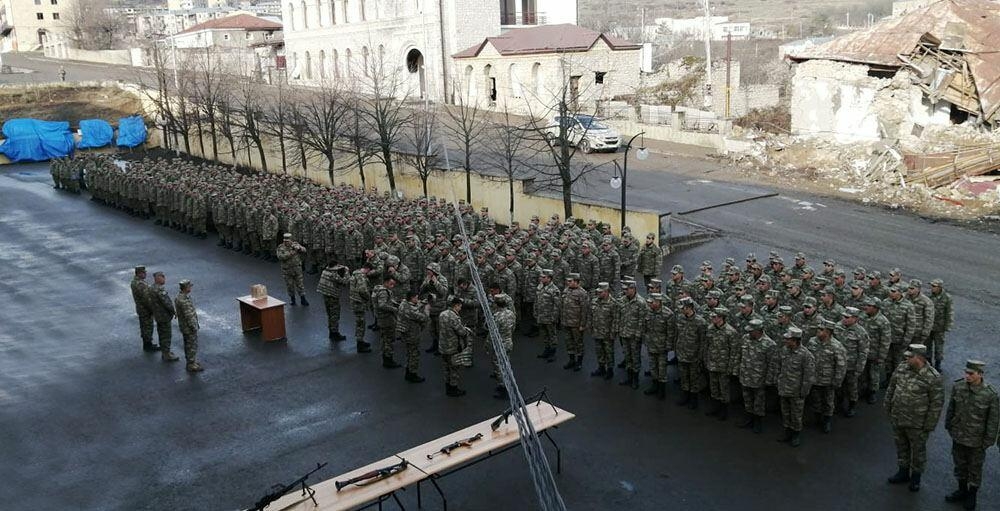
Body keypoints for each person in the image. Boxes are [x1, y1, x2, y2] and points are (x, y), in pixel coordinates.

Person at [885, 344, 944, 492]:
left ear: (919, 358)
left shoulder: (932, 377)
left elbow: (936, 404)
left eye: (909, 357)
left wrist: (929, 425)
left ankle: (916, 477)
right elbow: (892, 388)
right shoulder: (902, 368)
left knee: (918, 451)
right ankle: (903, 472)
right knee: (901, 446)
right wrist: (887, 407)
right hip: (898, 417)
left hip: (918, 423)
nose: (906, 358)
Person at [944, 360, 999, 510]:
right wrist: (948, 424)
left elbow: (993, 420)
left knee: (974, 468)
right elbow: (951, 408)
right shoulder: (958, 386)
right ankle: (961, 490)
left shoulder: (990, 395)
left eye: (971, 373)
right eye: (966, 372)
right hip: (958, 435)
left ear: (980, 374)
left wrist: (988, 441)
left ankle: (972, 494)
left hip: (977, 440)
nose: (967, 376)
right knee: (959, 465)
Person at [805, 319, 847, 434]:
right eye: (818, 329)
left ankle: (827, 420)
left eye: (821, 329)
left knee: (828, 401)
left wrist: (837, 381)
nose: (818, 331)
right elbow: (807, 359)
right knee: (815, 399)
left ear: (828, 332)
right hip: (814, 378)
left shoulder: (837, 346)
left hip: (828, 380)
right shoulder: (812, 341)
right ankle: (817, 418)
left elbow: (841, 366)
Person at [776, 326, 815, 447]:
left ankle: (796, 434)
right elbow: (779, 366)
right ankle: (787, 431)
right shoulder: (784, 350)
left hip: (796, 390)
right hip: (784, 387)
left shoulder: (806, 355)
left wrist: (804, 391)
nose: (786, 341)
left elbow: (808, 376)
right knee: (785, 412)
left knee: (796, 414)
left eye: (788, 339)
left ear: (795, 340)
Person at [738, 319, 777, 433]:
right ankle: (749, 418)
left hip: (759, 378)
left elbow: (772, 364)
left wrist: (769, 380)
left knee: (759, 402)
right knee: (747, 399)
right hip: (745, 374)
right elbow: (741, 355)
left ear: (758, 331)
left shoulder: (769, 344)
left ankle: (758, 422)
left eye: (751, 331)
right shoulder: (745, 338)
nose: (749, 333)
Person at [705, 307, 739, 421]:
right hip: (712, 363)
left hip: (724, 366)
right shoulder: (710, 328)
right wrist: (706, 360)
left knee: (724, 389)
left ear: (721, 318)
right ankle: (715, 407)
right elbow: (707, 346)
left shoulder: (731, 332)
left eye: (714, 317)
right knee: (714, 388)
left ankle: (724, 410)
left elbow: (734, 351)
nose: (712, 319)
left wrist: (731, 368)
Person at [643, 293, 675, 400]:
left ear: (658, 302)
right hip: (651, 343)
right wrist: (645, 340)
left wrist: (668, 346)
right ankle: (654, 385)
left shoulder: (668, 314)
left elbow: (670, 332)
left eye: (651, 302)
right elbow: (645, 327)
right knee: (653, 366)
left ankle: (662, 389)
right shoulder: (648, 312)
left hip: (662, 346)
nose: (649, 304)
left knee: (662, 368)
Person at [439, 297, 471, 397]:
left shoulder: (442, 314)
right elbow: (461, 332)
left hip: (443, 346)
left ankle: (447, 386)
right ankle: (454, 388)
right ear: (456, 305)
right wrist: (467, 330)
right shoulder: (454, 317)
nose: (460, 309)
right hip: (452, 347)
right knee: (454, 368)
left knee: (446, 368)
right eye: (460, 306)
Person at [396, 290, 430, 383]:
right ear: (412, 298)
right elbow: (424, 318)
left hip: (406, 333)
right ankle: (413, 374)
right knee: (414, 354)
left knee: (409, 353)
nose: (418, 299)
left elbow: (414, 306)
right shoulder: (410, 310)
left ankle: (408, 371)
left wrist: (423, 302)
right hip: (412, 334)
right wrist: (427, 309)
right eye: (416, 298)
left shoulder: (404, 303)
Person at [589, 282, 619, 380]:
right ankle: (601, 368)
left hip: (607, 333)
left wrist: (613, 333)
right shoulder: (594, 301)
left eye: (600, 292)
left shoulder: (613, 303)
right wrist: (590, 327)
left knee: (609, 352)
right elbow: (590, 315)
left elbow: (615, 319)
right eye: (598, 292)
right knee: (599, 351)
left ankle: (610, 370)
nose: (598, 293)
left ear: (606, 292)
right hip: (597, 331)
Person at [560, 273, 589, 371]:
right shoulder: (566, 290)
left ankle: (579, 362)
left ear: (576, 282)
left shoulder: (582, 293)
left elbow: (584, 311)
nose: (568, 283)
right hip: (566, 321)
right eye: (567, 281)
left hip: (576, 323)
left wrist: (582, 324)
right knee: (569, 342)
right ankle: (571, 360)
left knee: (578, 343)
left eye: (570, 281)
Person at [147, 271, 179, 362]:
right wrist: (174, 311)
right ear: (158, 278)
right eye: (162, 277)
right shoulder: (159, 289)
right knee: (166, 334)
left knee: (161, 333)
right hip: (163, 316)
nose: (164, 278)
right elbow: (167, 303)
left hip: (158, 315)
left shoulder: (152, 288)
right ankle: (166, 354)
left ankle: (165, 351)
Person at [317, 262, 350, 342]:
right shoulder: (333, 274)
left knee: (330, 314)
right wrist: (347, 272)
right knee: (334, 315)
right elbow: (345, 282)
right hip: (333, 296)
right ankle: (335, 333)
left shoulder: (325, 271)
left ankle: (331, 332)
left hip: (325, 295)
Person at [174, 279, 202, 372]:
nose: (191, 288)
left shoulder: (181, 297)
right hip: (188, 327)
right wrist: (194, 326)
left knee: (188, 344)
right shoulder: (183, 300)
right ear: (186, 288)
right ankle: (191, 364)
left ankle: (191, 361)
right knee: (191, 345)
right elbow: (189, 315)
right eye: (189, 286)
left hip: (185, 326)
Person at [491, 294, 517, 399]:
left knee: (499, 366)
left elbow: (492, 332)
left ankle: (504, 388)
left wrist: (488, 345)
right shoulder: (511, 313)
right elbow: (513, 327)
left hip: (499, 343)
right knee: (506, 364)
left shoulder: (497, 316)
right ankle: (507, 384)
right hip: (508, 341)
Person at [372, 276, 401, 368]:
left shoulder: (381, 289)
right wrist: (394, 309)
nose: (392, 286)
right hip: (386, 319)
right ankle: (388, 360)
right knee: (389, 339)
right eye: (391, 284)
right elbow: (382, 305)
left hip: (382, 318)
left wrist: (396, 303)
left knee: (385, 339)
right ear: (385, 282)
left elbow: (388, 301)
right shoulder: (383, 292)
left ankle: (386, 358)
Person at [130, 266, 159, 352]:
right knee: (147, 327)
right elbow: (147, 299)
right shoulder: (140, 284)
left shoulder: (136, 282)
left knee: (145, 326)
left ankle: (147, 344)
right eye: (143, 273)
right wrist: (153, 309)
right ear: (139, 273)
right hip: (145, 309)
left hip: (142, 308)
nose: (145, 274)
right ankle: (148, 345)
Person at [534, 270, 561, 362]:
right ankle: (546, 350)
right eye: (541, 277)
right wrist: (535, 312)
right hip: (541, 316)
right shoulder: (540, 287)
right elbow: (536, 300)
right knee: (544, 335)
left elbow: (557, 305)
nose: (541, 279)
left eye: (544, 277)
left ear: (549, 278)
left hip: (549, 317)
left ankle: (553, 353)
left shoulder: (554, 290)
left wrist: (554, 317)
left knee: (552, 335)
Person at [276, 233, 309, 306]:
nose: (286, 242)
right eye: (285, 241)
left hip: (297, 269)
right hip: (287, 270)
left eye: (287, 241)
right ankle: (292, 299)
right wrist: (293, 252)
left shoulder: (295, 245)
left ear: (291, 240)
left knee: (300, 285)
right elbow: (281, 257)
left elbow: (304, 250)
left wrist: (299, 248)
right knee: (290, 286)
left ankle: (303, 299)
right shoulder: (281, 247)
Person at [928, 279, 954, 371]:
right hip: (929, 326)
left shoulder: (946, 298)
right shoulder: (928, 296)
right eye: (931, 286)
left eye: (934, 286)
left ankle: (938, 364)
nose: (932, 288)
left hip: (940, 327)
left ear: (939, 287)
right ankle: (928, 363)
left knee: (939, 347)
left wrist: (948, 326)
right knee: (927, 346)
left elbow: (949, 312)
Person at [348, 265, 373, 354]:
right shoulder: (361, 276)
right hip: (359, 303)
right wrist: (368, 297)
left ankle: (361, 341)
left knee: (360, 322)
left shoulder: (355, 273)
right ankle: (360, 344)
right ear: (367, 269)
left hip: (355, 301)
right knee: (361, 323)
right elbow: (362, 290)